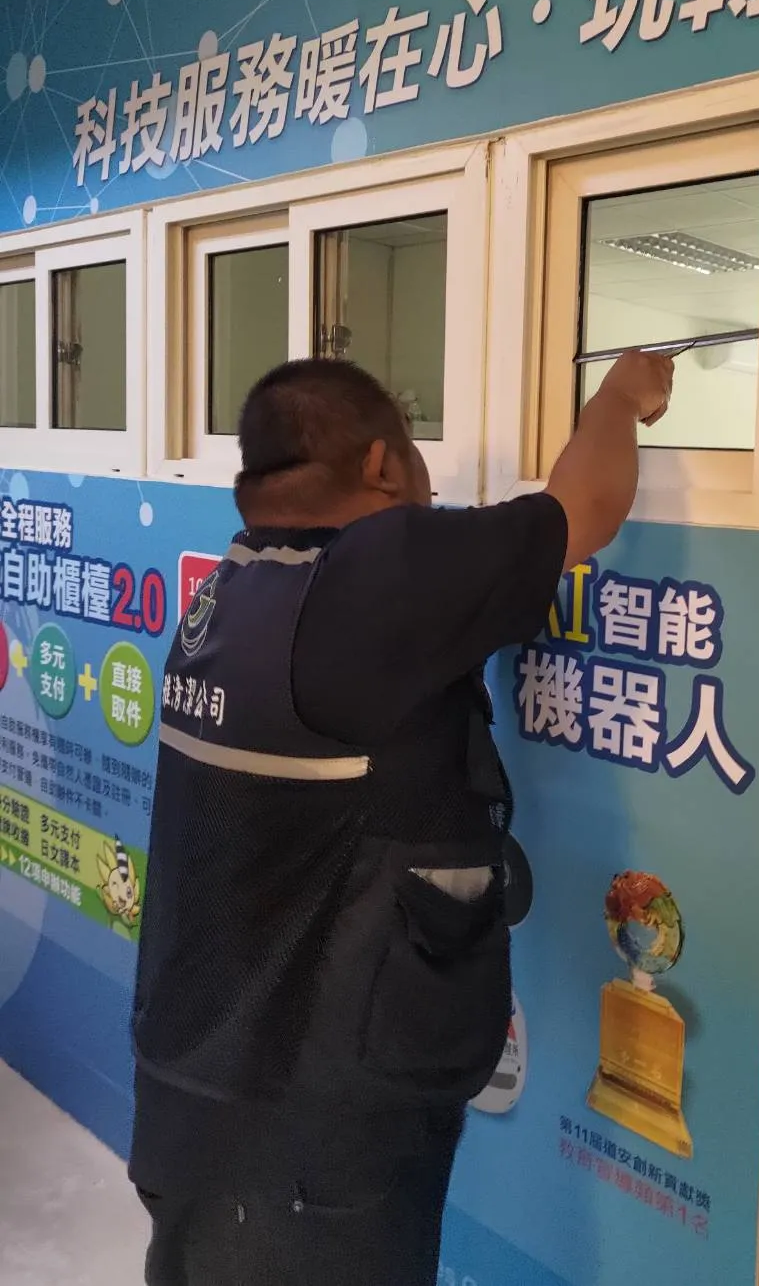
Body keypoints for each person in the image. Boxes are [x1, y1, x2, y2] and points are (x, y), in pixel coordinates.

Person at [129, 346, 674, 1286]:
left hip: (196, 1090)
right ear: (383, 463)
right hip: (309, 1138)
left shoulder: (237, 588)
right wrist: (622, 394)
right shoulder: (374, 575)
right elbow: (585, 506)